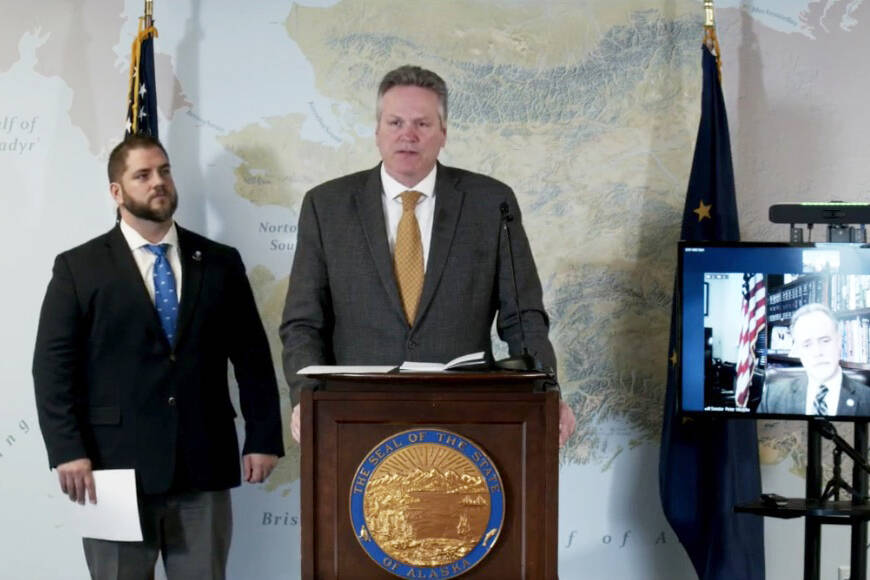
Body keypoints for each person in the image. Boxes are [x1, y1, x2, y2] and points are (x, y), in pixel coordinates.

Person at [280, 65, 576, 445]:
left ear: (443, 134)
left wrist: (549, 393)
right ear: (376, 131)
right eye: (395, 122)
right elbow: (303, 324)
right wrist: (307, 398)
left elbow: (524, 318)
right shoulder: (327, 205)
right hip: (355, 419)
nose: (408, 135)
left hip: (466, 419)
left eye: (422, 123)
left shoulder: (491, 202)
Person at [32, 135, 284, 579]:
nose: (158, 182)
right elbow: (52, 370)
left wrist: (263, 436)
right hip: (110, 471)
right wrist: (67, 450)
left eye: (164, 170)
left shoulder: (221, 262)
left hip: (202, 464)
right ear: (116, 191)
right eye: (143, 175)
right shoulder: (78, 267)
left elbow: (252, 358)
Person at [758, 303, 870, 415]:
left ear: (839, 342)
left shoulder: (867, 400)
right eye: (807, 344)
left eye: (825, 341)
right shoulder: (772, 398)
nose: (817, 352)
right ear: (798, 350)